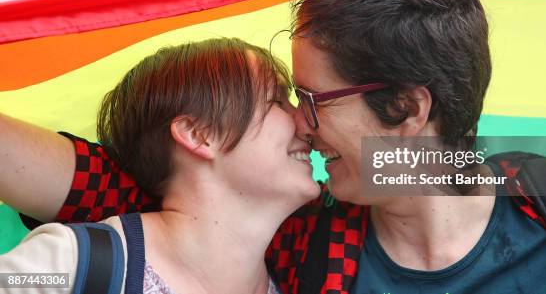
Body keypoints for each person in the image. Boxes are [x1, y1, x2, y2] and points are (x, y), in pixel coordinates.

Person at [1, 0, 546, 293]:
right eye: (289, 100)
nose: (301, 122)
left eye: (313, 99)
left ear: (406, 109)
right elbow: (123, 195)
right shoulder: (302, 244)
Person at [0, 38, 320, 294]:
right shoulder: (68, 265)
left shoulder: (322, 262)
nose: (305, 122)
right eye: (278, 100)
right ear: (198, 134)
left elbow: (373, 164)